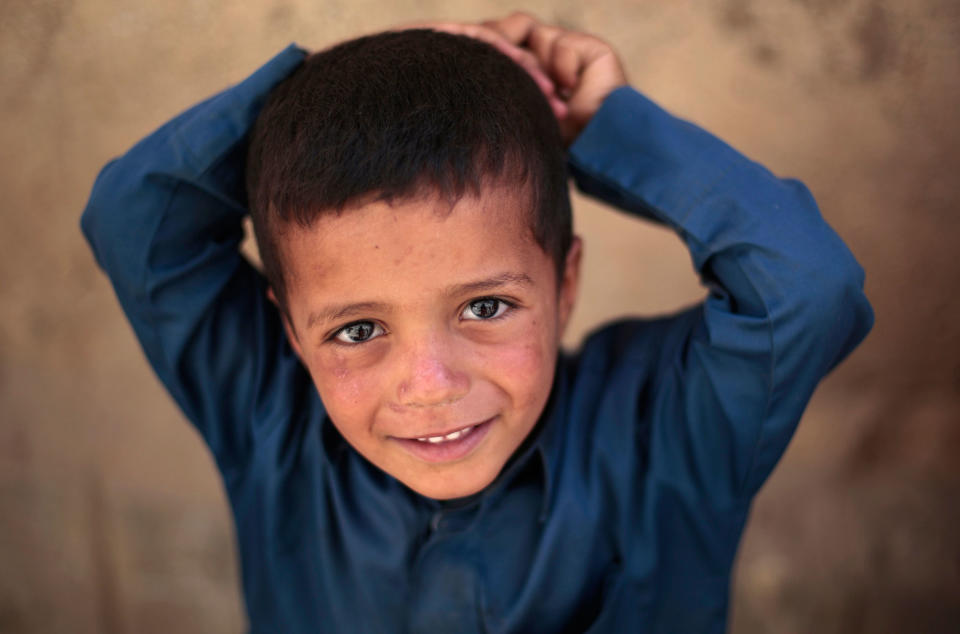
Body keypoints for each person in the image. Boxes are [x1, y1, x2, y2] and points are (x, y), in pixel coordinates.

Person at [80, 12, 873, 633]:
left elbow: (806, 286)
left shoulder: (666, 433)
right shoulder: (271, 420)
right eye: (357, 330)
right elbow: (134, 218)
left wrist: (603, 129)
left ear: (565, 283)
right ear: (289, 330)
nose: (429, 386)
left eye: (485, 307)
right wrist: (322, 86)